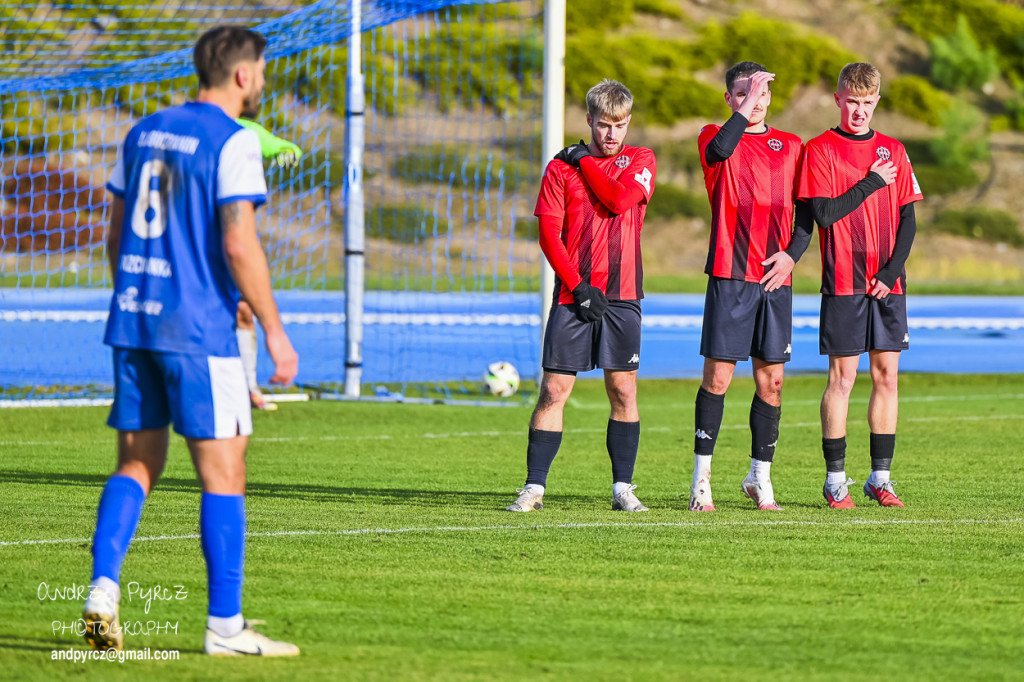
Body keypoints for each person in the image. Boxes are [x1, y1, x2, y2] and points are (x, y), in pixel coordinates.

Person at [82, 26, 301, 656]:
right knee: (224, 474)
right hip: (198, 331)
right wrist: (276, 331)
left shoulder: (142, 130)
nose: (261, 80)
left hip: (135, 320)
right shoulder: (232, 142)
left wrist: (136, 295)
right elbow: (239, 243)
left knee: (136, 462)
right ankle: (225, 628)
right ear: (241, 75)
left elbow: (117, 230)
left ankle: (103, 587)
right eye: (260, 69)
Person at [506, 79, 656, 513]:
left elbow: (616, 198)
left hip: (624, 297)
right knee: (553, 390)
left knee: (623, 391)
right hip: (575, 296)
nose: (612, 134)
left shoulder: (641, 160)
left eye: (620, 125)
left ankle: (622, 489)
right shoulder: (558, 170)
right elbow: (549, 236)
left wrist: (584, 160)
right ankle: (534, 488)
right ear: (589, 120)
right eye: (604, 125)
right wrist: (577, 286)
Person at [796, 62, 923, 508]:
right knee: (843, 378)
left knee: (887, 377)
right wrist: (872, 181)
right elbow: (824, 215)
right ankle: (835, 481)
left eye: (868, 103)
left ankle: (880, 479)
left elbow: (909, 219)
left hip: (889, 283)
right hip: (843, 282)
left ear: (877, 102)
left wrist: (891, 272)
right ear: (837, 99)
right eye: (852, 101)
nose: (859, 111)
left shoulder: (895, 150)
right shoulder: (821, 150)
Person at [690, 62, 812, 512]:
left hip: (774, 280)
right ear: (730, 99)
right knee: (719, 379)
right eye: (747, 91)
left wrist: (792, 256)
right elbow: (721, 150)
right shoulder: (713, 136)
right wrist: (744, 107)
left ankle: (760, 478)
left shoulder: (792, 146)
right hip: (730, 273)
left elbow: (807, 214)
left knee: (773, 382)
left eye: (764, 91)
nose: (758, 99)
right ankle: (701, 480)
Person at [233, 118, 304, 412]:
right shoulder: (189, 127)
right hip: (187, 240)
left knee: (244, 309)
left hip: (228, 236)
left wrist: (287, 151)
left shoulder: (243, 129)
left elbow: (282, 146)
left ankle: (248, 388)